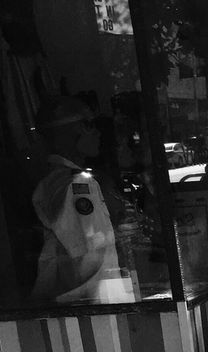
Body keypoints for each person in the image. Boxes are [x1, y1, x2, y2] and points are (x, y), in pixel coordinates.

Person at [29, 95, 134, 304]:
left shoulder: (62, 181)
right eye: (88, 124)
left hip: (92, 301)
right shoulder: (74, 186)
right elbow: (91, 253)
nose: (96, 132)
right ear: (66, 132)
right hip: (91, 303)